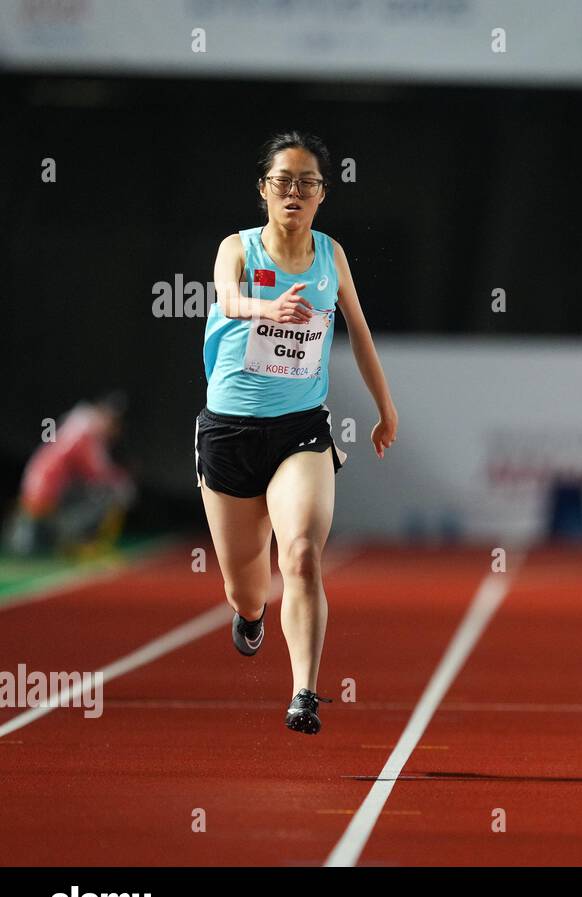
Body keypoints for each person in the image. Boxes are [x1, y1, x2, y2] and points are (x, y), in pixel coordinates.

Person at [196, 131, 398, 734]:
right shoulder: (237, 247)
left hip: (300, 431)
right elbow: (228, 299)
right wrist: (268, 309)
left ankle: (303, 692)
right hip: (230, 433)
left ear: (321, 196)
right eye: (283, 181)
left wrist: (386, 409)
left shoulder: (331, 257)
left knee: (304, 555)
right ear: (264, 190)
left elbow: (358, 332)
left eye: (306, 183)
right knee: (246, 588)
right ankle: (251, 615)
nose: (294, 192)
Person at [10, 393, 134, 557]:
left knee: (29, 546)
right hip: (48, 498)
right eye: (112, 421)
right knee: (115, 492)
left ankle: (43, 533)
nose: (114, 428)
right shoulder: (85, 434)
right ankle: (67, 536)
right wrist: (123, 479)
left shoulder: (74, 425)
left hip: (35, 493)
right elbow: (98, 474)